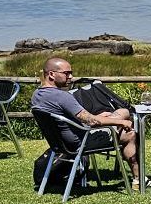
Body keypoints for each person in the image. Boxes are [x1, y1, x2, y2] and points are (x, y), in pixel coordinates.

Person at [31, 56, 141, 185]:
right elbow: (92, 121)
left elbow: (73, 119)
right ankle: (138, 179)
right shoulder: (62, 97)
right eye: (66, 73)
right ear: (51, 74)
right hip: (80, 142)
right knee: (129, 133)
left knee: (122, 112)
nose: (71, 77)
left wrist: (104, 117)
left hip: (59, 143)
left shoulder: (37, 95)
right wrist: (121, 122)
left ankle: (132, 168)